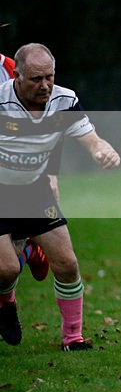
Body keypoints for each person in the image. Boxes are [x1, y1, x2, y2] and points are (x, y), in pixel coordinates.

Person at [0, 43, 121, 350]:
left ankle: (73, 338)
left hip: (33, 190)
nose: (45, 86)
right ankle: (7, 302)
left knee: (67, 264)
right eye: (36, 79)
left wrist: (101, 150)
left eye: (49, 77)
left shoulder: (64, 100)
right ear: (18, 75)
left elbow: (89, 137)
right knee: (7, 269)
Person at [0, 51, 52, 282]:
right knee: (5, 267)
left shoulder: (11, 69)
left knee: (7, 266)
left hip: (12, 179)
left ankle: (30, 248)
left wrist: (52, 174)